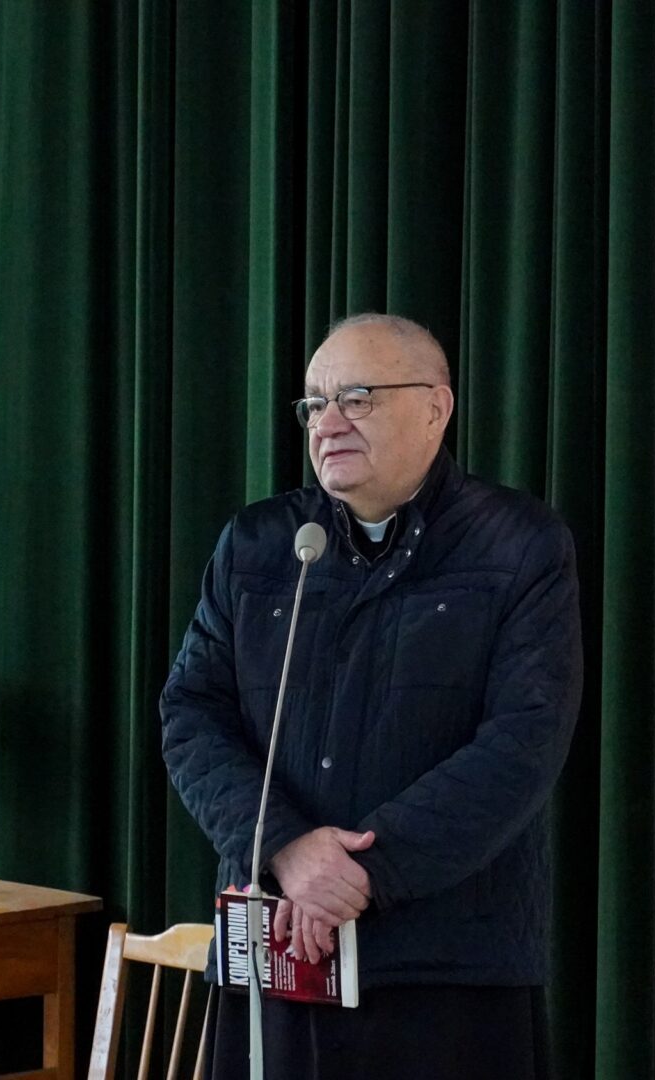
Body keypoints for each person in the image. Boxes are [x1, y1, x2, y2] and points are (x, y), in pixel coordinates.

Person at [159, 313, 583, 1080]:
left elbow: (523, 741)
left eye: (356, 398)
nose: (328, 424)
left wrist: (362, 874)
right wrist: (287, 850)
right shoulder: (262, 544)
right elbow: (190, 715)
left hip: (445, 962)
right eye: (315, 404)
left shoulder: (519, 544)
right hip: (277, 947)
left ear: (435, 407)